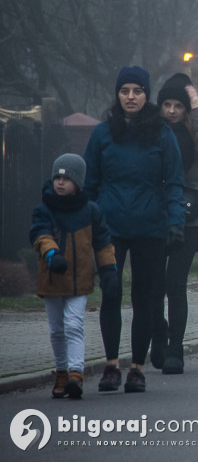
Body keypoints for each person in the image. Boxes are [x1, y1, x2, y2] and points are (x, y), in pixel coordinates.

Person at [85, 65, 186, 393]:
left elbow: (173, 182)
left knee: (145, 298)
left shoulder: (161, 132)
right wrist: (85, 223)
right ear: (117, 94)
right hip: (109, 226)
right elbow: (90, 183)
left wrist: (176, 223)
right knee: (111, 294)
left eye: (137, 91)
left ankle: (138, 368)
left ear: (146, 95)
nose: (131, 97)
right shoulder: (102, 133)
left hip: (150, 227)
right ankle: (111, 365)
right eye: (125, 91)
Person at [151, 74, 198, 374]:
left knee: (175, 284)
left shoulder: (194, 132)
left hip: (190, 216)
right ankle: (158, 335)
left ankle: (175, 350)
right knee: (153, 285)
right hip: (154, 216)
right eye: (166, 104)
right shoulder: (151, 132)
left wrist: (196, 105)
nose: (171, 110)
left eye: (178, 105)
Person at [31, 154, 118, 399]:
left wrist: (109, 270)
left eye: (66, 179)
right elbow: (39, 234)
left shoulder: (90, 210)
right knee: (57, 329)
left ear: (78, 182)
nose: (60, 182)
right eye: (57, 177)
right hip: (52, 278)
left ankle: (75, 373)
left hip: (80, 281)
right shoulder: (44, 208)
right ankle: (61, 371)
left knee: (73, 325)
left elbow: (102, 243)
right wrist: (51, 253)